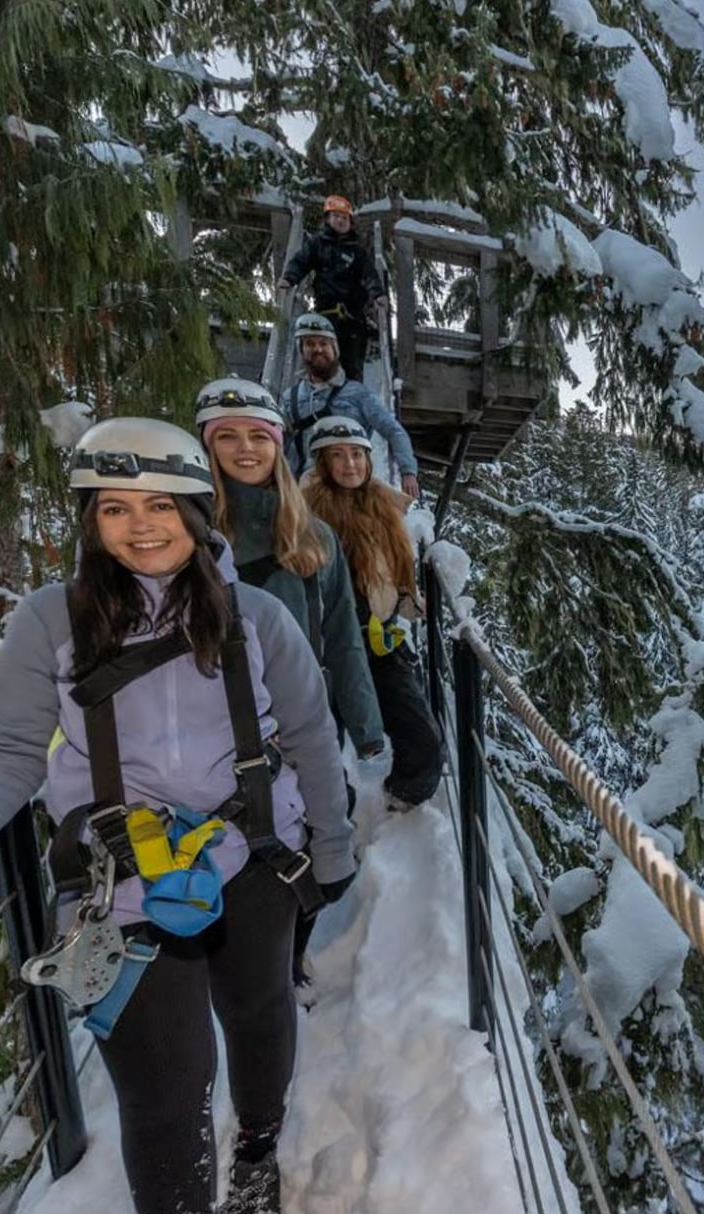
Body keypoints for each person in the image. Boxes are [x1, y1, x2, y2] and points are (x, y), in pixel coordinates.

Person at [0, 417, 355, 1214]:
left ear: (196, 511)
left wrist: (332, 846)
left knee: (258, 1014)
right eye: (114, 507)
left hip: (252, 855)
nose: (140, 526)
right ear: (89, 519)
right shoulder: (53, 622)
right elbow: (10, 750)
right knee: (165, 1090)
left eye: (161, 505)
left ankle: (256, 1149)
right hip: (121, 882)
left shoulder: (257, 618)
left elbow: (310, 734)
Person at [194, 379, 385, 998]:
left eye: (259, 436)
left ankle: (286, 958)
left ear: (279, 445)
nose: (246, 449)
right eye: (228, 437)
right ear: (206, 445)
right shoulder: (187, 535)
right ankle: (235, 971)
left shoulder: (313, 538)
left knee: (310, 838)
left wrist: (366, 726)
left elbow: (343, 638)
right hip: (213, 727)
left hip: (297, 723)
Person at [302, 416, 443, 808]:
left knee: (423, 738)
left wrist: (407, 601)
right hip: (326, 645)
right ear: (322, 462)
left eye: (357, 454)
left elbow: (390, 568)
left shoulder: (382, 506)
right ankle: (330, 819)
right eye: (337, 455)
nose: (350, 464)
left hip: (379, 639)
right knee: (320, 746)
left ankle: (402, 798)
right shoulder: (302, 514)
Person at [279, 313, 422, 503]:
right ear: (302, 350)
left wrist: (408, 471)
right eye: (310, 344)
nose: (317, 349)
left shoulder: (358, 394)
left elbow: (393, 430)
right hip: (303, 493)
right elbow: (277, 442)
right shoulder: (290, 398)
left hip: (349, 492)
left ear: (334, 349)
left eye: (323, 343)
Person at [275, 194, 386, 382]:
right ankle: (321, 392)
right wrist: (289, 279)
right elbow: (301, 262)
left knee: (352, 366)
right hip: (326, 314)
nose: (341, 221)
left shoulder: (357, 251)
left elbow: (369, 274)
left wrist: (378, 294)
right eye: (336, 216)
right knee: (324, 361)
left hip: (353, 318)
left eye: (344, 218)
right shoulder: (317, 244)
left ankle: (351, 395)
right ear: (327, 219)